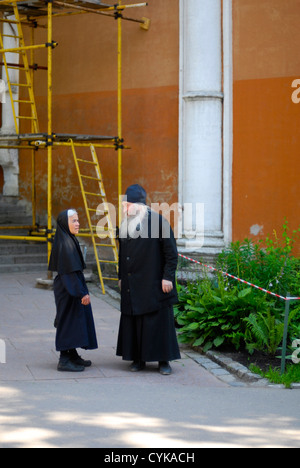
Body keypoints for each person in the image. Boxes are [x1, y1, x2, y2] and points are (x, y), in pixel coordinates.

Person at [117, 184, 181, 375]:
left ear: (137, 205)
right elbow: (122, 253)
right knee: (135, 321)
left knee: (159, 323)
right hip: (133, 283)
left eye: (126, 205)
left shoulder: (158, 222)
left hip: (155, 283)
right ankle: (138, 359)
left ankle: (164, 361)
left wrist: (168, 277)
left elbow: (171, 253)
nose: (123, 209)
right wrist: (121, 276)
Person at [49, 209, 98, 372]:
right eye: (74, 221)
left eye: (78, 220)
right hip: (68, 288)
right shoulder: (65, 244)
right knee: (68, 321)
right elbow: (68, 272)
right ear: (65, 223)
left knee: (75, 320)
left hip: (71, 286)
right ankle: (64, 359)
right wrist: (80, 293)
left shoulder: (68, 239)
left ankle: (72, 354)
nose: (78, 224)